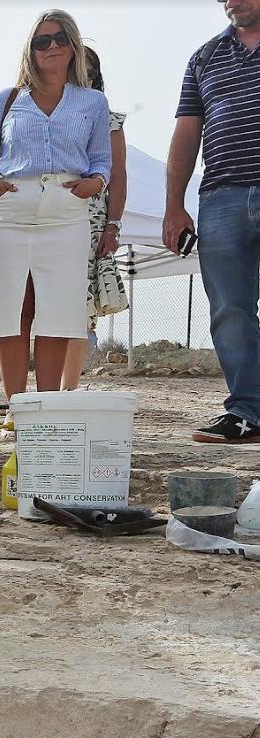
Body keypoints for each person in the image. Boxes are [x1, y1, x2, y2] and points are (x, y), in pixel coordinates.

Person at [0, 10, 110, 432]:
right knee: (11, 308)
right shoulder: (7, 99)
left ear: (73, 45)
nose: (51, 47)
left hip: (67, 212)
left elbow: (102, 159)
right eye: (41, 41)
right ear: (30, 50)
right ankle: (16, 409)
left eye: (60, 38)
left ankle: (46, 408)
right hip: (13, 208)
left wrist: (96, 182)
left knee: (59, 311)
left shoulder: (93, 102)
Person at [164, 0, 260, 444]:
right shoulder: (204, 57)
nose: (232, 2)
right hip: (220, 196)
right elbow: (187, 132)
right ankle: (247, 412)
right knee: (229, 310)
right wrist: (174, 205)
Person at [62, 47, 128, 391]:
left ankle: (67, 388)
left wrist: (113, 226)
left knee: (79, 306)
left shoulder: (110, 120)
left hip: (90, 221)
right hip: (48, 215)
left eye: (85, 72)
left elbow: (118, 176)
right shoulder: (42, 114)